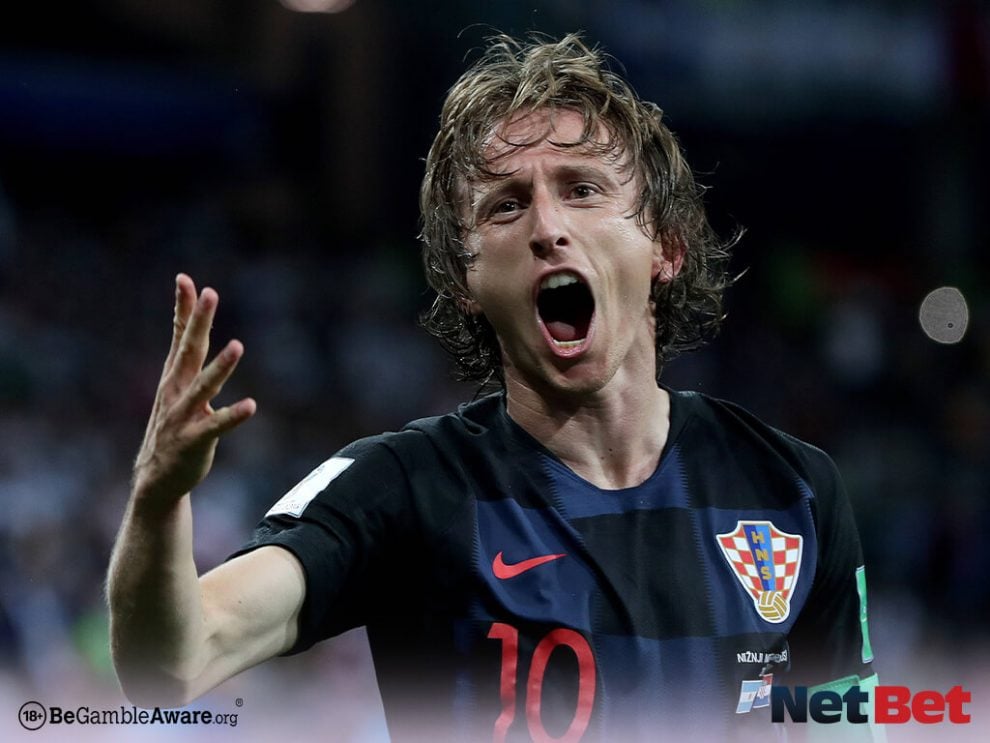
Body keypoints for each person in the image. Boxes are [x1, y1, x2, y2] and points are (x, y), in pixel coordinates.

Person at [108, 34, 878, 741]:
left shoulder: (792, 490)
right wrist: (156, 501)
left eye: (581, 189)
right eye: (506, 205)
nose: (547, 227)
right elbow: (172, 662)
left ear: (666, 246)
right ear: (467, 280)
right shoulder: (404, 490)